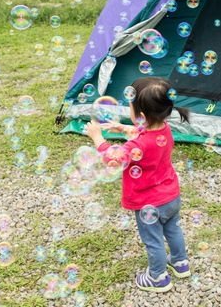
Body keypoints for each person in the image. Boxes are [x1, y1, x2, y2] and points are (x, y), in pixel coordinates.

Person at [85, 77, 190, 293]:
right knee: (173, 229)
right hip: (171, 196)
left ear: (141, 116)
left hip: (149, 204)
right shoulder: (164, 129)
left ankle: (158, 277)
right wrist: (123, 128)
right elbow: (145, 135)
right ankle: (180, 263)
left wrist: (97, 138)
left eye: (130, 106)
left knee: (153, 241)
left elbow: (113, 157)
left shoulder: (137, 144)